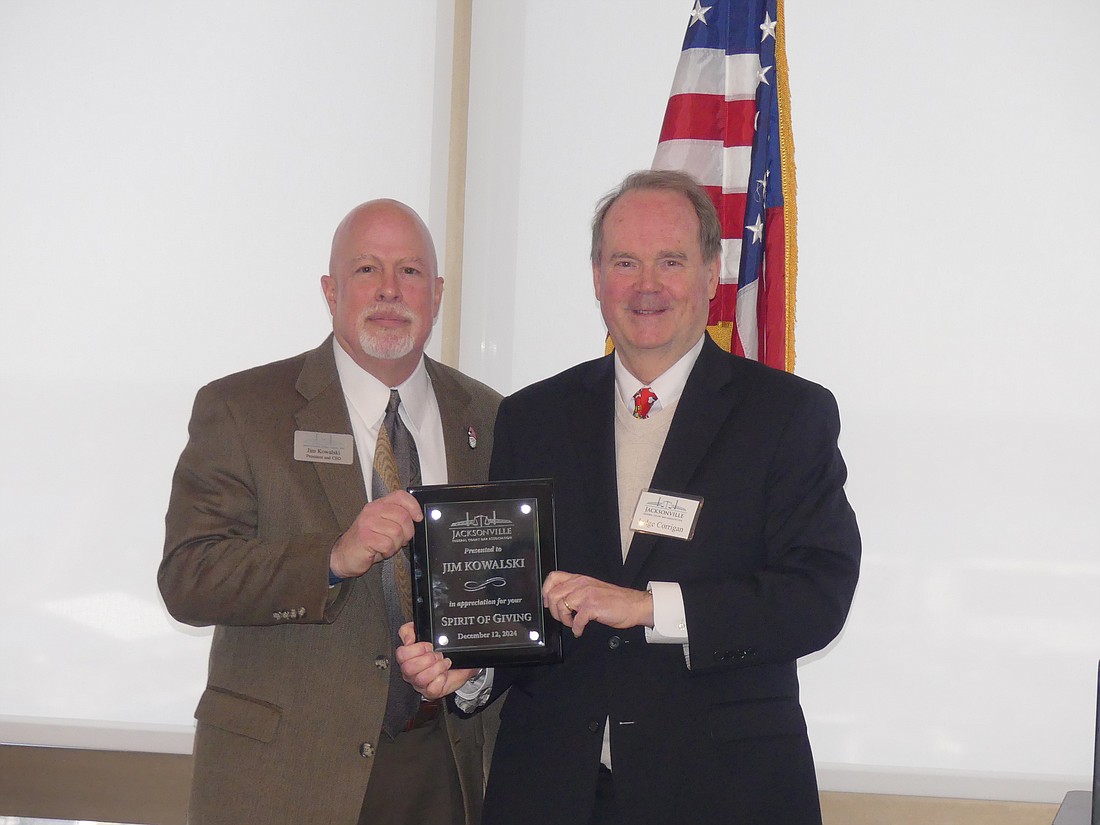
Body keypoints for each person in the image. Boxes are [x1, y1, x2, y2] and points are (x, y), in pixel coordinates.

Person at [397, 170, 861, 825]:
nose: (647, 285)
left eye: (670, 261)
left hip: (725, 790)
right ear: (596, 277)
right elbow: (512, 602)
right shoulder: (533, 416)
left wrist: (649, 606)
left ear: (710, 273)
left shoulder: (785, 415)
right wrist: (467, 670)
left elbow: (817, 595)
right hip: (552, 790)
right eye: (625, 262)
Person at [159, 199, 502, 825]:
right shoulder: (243, 410)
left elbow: (510, 593)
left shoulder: (490, 416)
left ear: (438, 291)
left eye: (411, 271)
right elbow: (189, 577)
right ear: (330, 289)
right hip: (286, 777)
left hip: (447, 770)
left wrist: (477, 674)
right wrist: (331, 559)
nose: (391, 290)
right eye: (367, 269)